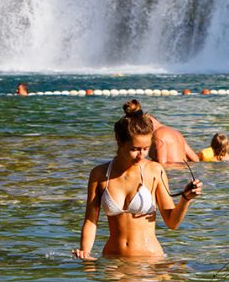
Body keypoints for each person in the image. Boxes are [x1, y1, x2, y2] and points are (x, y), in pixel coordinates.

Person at [72, 100, 202, 259]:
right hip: (112, 262)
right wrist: (85, 253)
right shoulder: (99, 174)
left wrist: (185, 199)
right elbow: (91, 222)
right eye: (135, 149)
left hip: (150, 261)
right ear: (120, 142)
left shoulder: (154, 171)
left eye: (146, 149)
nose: (141, 155)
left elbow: (172, 222)